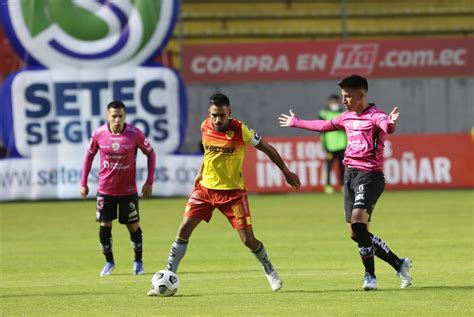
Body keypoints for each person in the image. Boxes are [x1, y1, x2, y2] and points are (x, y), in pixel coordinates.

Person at [148, 93, 301, 295]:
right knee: (184, 229)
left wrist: (286, 172)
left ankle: (269, 269)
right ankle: (168, 275)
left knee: (248, 240)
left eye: (222, 115)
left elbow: (266, 148)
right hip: (205, 190)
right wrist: (200, 172)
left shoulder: (240, 129)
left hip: (233, 194)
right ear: (209, 114)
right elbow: (209, 153)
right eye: (214, 115)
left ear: (229, 113)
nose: (218, 120)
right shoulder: (205, 126)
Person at [279, 75, 411, 291]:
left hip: (370, 176)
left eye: (347, 96)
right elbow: (323, 126)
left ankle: (370, 276)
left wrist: (390, 123)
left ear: (361, 95)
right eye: (342, 96)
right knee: (355, 233)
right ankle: (398, 263)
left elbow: (386, 126)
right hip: (350, 175)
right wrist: (297, 122)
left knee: (359, 222)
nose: (344, 101)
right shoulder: (346, 117)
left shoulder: (376, 115)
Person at [80, 100, 156, 277]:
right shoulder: (99, 134)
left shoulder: (134, 134)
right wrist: (83, 182)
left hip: (128, 191)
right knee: (104, 227)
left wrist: (149, 181)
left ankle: (138, 261)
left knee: (133, 226)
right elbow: (89, 156)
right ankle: (109, 262)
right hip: (105, 190)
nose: (117, 120)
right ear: (108, 116)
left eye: (120, 116)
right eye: (114, 116)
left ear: (125, 116)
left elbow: (150, 153)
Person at [319, 94, 347, 194]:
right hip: (330, 146)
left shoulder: (344, 114)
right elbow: (321, 130)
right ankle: (328, 185)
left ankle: (343, 185)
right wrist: (324, 145)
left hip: (342, 145)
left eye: (336, 102)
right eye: (333, 102)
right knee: (329, 167)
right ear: (329, 102)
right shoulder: (324, 114)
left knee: (342, 168)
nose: (334, 104)